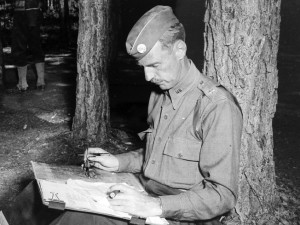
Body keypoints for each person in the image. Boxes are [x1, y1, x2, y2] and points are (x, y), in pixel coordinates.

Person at [8, 5, 243, 225]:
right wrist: (117, 162)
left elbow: (222, 195)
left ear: (179, 50)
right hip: (140, 191)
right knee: (37, 192)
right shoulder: (160, 95)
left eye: (155, 65)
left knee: (79, 220)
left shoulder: (216, 106)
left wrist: (153, 205)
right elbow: (158, 155)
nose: (148, 77)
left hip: (172, 213)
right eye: (143, 68)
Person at [11, 0, 45, 91]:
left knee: (19, 45)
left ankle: (22, 83)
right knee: (36, 44)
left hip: (20, 10)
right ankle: (41, 81)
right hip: (35, 10)